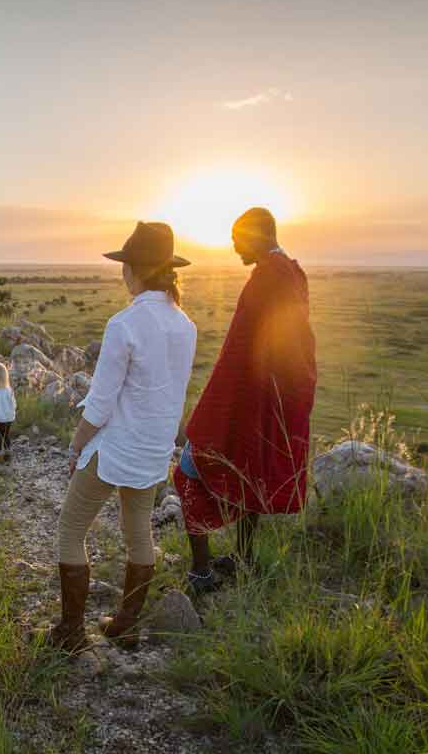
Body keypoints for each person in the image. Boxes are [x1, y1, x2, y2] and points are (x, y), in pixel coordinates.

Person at [49, 222, 197, 652]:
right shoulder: (184, 324)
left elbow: (100, 403)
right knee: (138, 532)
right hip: (154, 450)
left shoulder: (125, 323)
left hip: (116, 448)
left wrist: (77, 445)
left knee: (70, 531)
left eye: (124, 266)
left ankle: (71, 634)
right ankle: (126, 624)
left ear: (133, 270)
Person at [174, 207, 317, 594]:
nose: (233, 246)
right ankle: (244, 558)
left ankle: (201, 573)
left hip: (252, 399)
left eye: (237, 238)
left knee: (188, 470)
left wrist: (208, 413)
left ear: (255, 236)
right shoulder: (291, 271)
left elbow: (238, 354)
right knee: (250, 479)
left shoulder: (267, 278)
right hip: (273, 399)